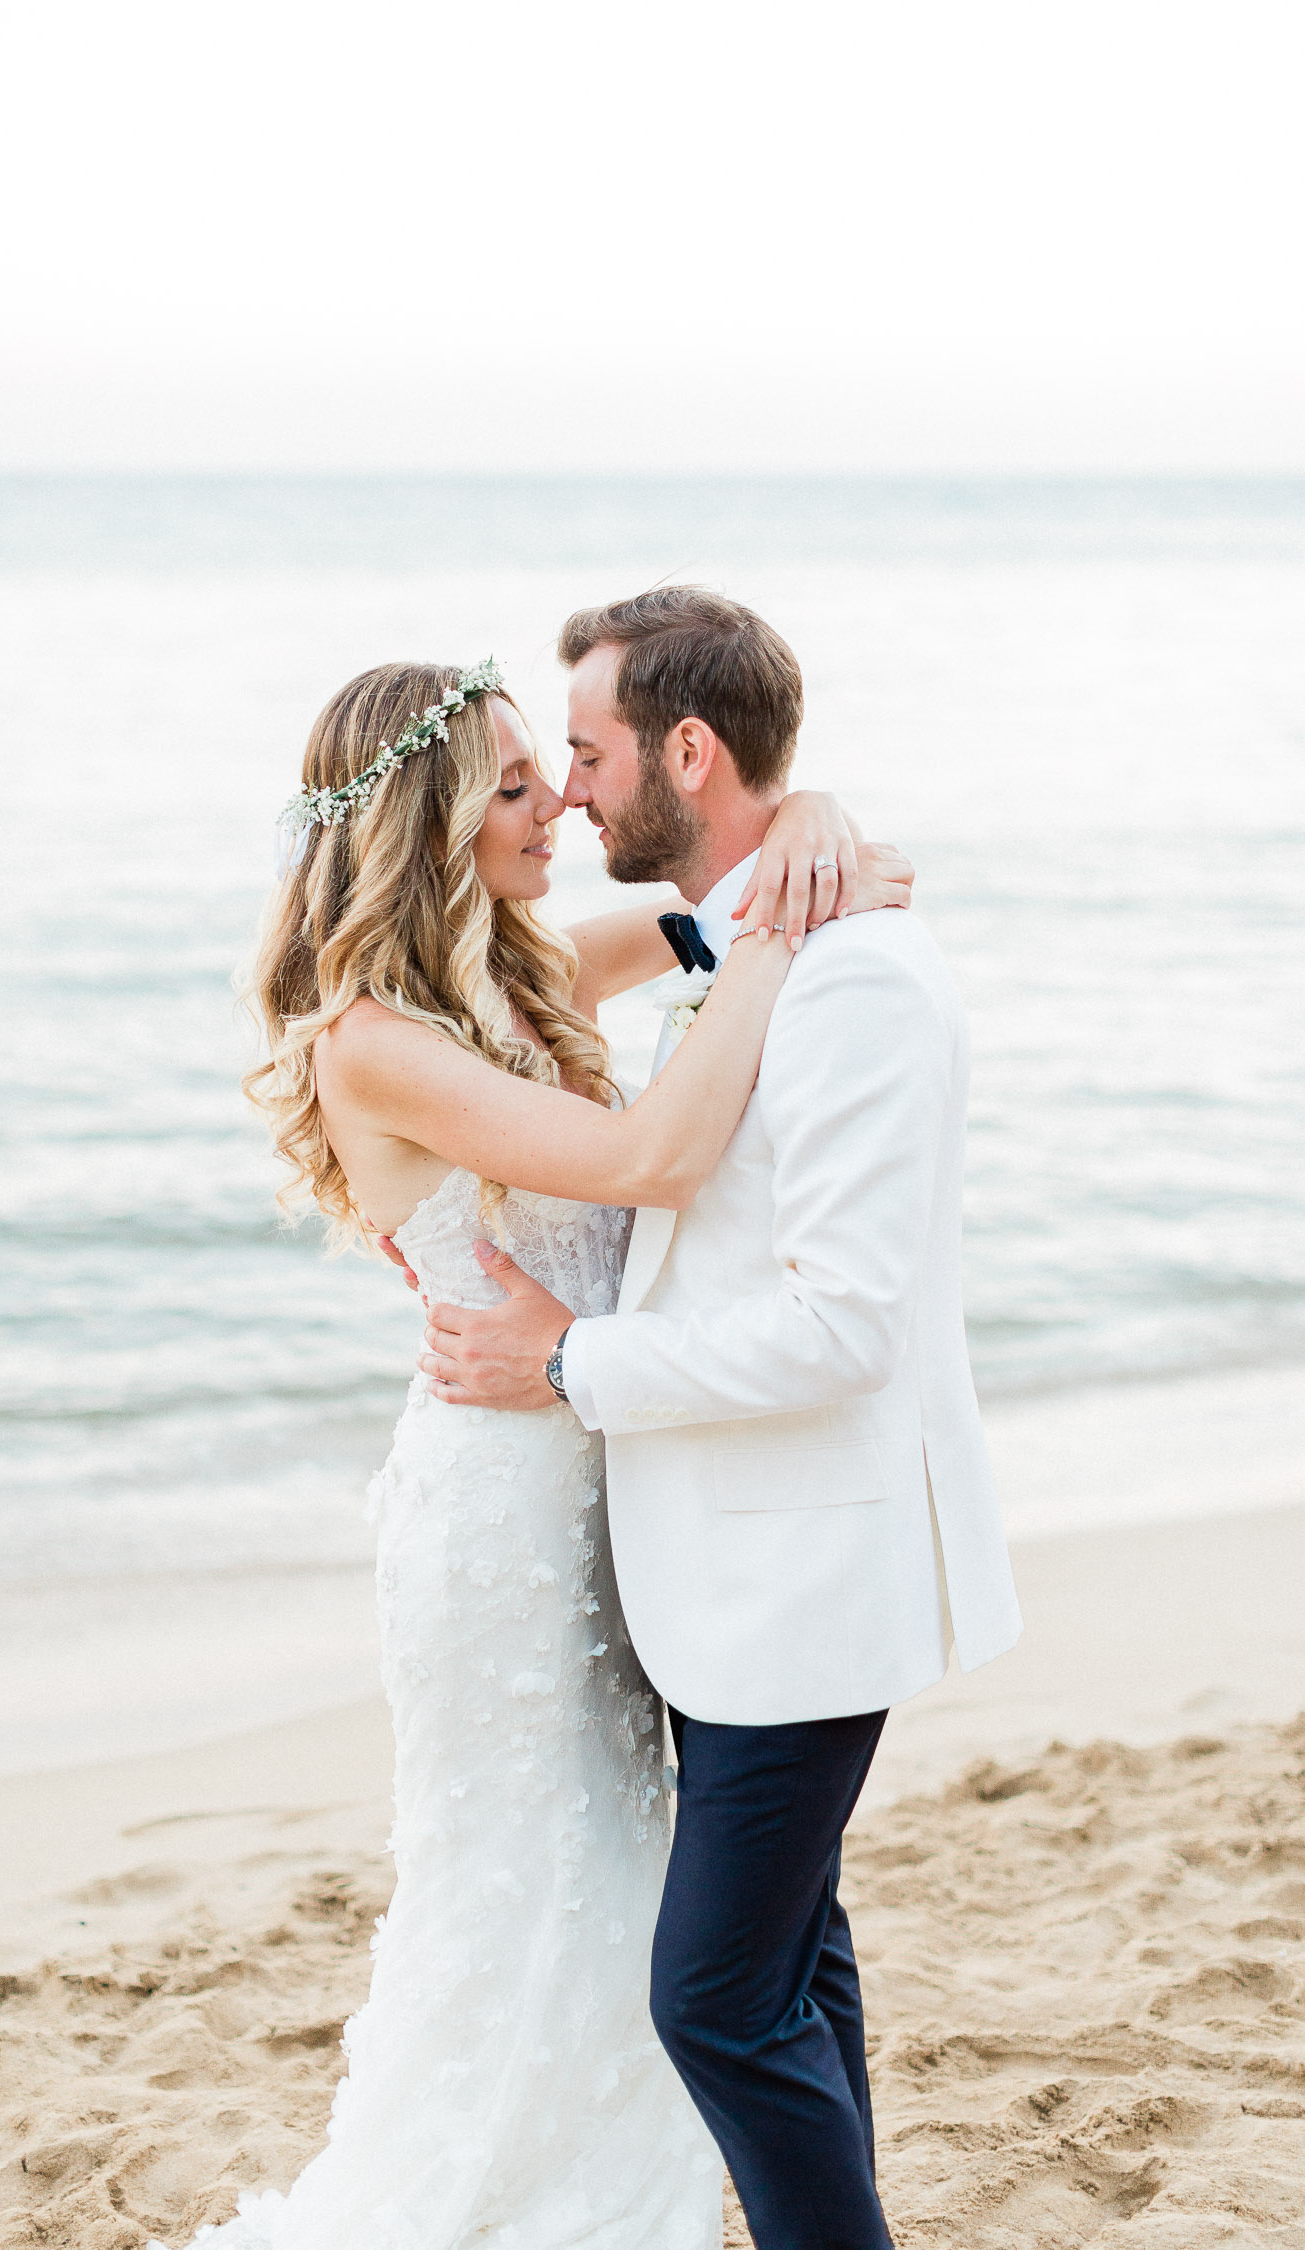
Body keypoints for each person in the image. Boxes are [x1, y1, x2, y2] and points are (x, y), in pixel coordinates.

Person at [157, 650, 914, 2248]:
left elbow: (731, 879)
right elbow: (657, 1152)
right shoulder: (372, 1041)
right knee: (518, 1889)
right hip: (498, 1521)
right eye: (514, 785)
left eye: (550, 768)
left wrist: (815, 818)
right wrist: (779, 937)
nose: (559, 801)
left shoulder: (519, 975)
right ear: (429, 820)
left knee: (619, 1889)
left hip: (603, 1485)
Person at [418, 589, 1024, 2250]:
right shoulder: (760, 943)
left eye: (596, 756)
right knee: (787, 1962)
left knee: (713, 2000)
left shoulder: (853, 981)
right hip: (726, 1573)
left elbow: (843, 1324)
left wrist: (566, 1364)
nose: (581, 795)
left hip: (802, 1582)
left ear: (693, 748)